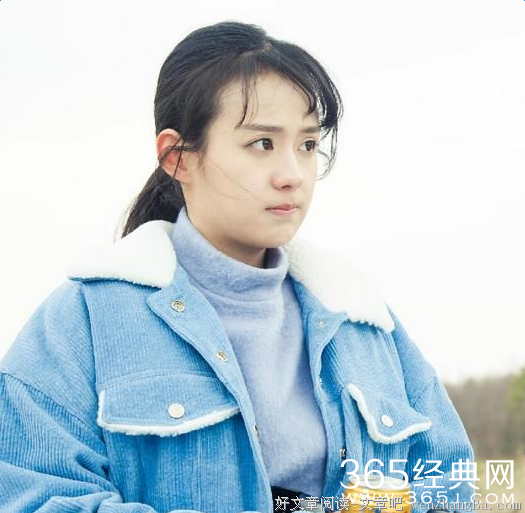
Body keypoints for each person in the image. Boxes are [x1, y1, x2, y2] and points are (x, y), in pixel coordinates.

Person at [0, 20, 475, 513]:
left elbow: (449, 486)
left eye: (307, 145)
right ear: (177, 157)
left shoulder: (364, 322)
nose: (292, 175)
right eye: (262, 144)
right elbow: (32, 496)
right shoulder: (84, 320)